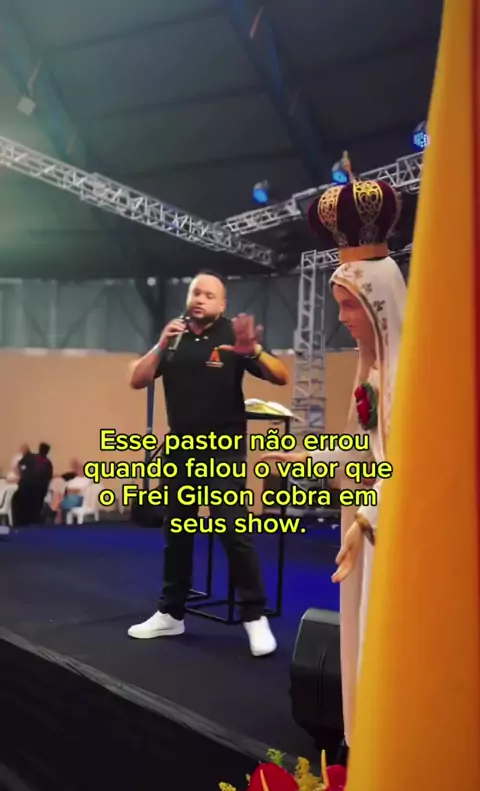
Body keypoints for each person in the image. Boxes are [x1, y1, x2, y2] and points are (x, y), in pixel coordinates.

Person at [262, 167, 407, 757]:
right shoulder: (373, 368)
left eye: (349, 306)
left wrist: (366, 519)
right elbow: (365, 451)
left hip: (389, 539)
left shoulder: (410, 377)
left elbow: (411, 473)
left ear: (378, 304)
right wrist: (305, 455)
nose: (342, 318)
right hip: (367, 533)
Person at [127, 271, 289, 656]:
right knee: (177, 533)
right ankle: (171, 613)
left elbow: (282, 377)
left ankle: (254, 615)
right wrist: (160, 344)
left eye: (209, 295)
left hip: (223, 450)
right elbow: (137, 379)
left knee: (233, 530)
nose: (200, 298)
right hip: (180, 450)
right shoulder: (174, 336)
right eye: (195, 292)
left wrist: (254, 352)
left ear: (222, 304)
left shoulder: (234, 334)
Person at [13, 442, 54, 525]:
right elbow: (49, 477)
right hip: (40, 489)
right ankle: (34, 521)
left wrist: (21, 476)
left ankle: (21, 522)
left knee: (19, 502)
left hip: (26, 487)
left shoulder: (30, 458)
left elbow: (20, 468)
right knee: (36, 506)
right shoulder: (48, 462)